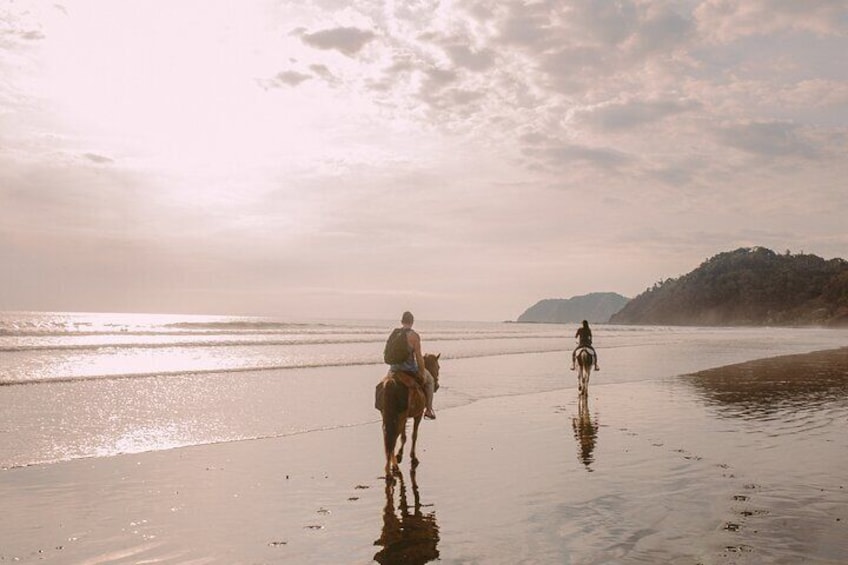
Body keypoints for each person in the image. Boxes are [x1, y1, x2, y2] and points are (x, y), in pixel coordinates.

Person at [390, 311, 436, 419]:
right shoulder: (414, 336)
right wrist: (422, 372)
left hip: (394, 368)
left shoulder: (395, 333)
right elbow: (419, 357)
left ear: (402, 322)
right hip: (409, 368)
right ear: (412, 322)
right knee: (430, 381)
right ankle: (429, 410)